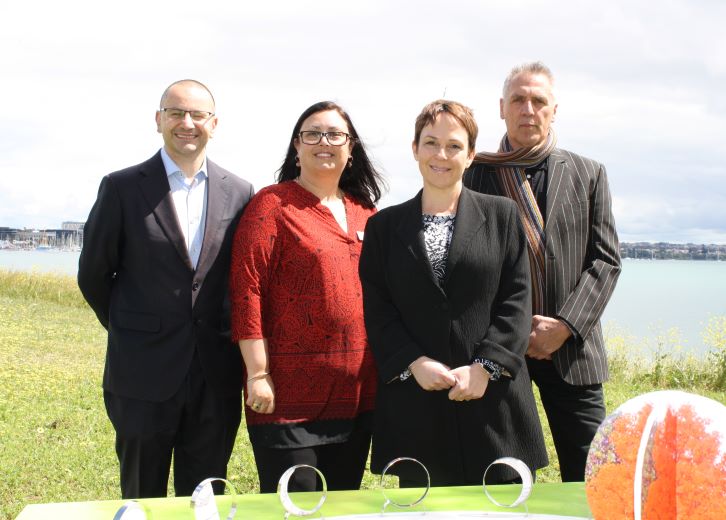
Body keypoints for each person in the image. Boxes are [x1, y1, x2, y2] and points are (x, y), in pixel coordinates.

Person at [78, 79, 254, 498]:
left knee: (205, 498)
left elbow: (241, 280)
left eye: (198, 114)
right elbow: (94, 275)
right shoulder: (121, 187)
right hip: (142, 373)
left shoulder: (240, 192)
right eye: (176, 113)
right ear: (158, 120)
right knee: (142, 496)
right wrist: (132, 327)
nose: (186, 123)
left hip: (215, 374)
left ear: (214, 124)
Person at [359, 100, 548, 487]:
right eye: (431, 143)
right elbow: (378, 310)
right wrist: (413, 362)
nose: (441, 155)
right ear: (415, 149)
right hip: (418, 405)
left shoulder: (503, 215)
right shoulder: (383, 227)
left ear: (471, 154)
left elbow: (516, 301)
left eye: (454, 145)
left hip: (493, 404)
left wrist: (485, 368)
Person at [464, 62, 621, 482]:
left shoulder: (588, 173)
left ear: (554, 110)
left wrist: (564, 326)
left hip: (572, 351)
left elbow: (606, 260)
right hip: (498, 349)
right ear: (502, 107)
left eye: (538, 101)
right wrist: (511, 332)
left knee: (592, 474)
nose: (528, 109)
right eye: (518, 99)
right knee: (502, 473)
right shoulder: (473, 174)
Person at [230, 101, 383, 493]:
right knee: (295, 507)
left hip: (356, 393)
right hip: (285, 398)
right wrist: (257, 373)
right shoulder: (271, 205)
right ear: (296, 147)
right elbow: (248, 291)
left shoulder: (367, 213)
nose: (324, 142)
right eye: (312, 134)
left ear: (351, 149)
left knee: (342, 507)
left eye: (335, 135)